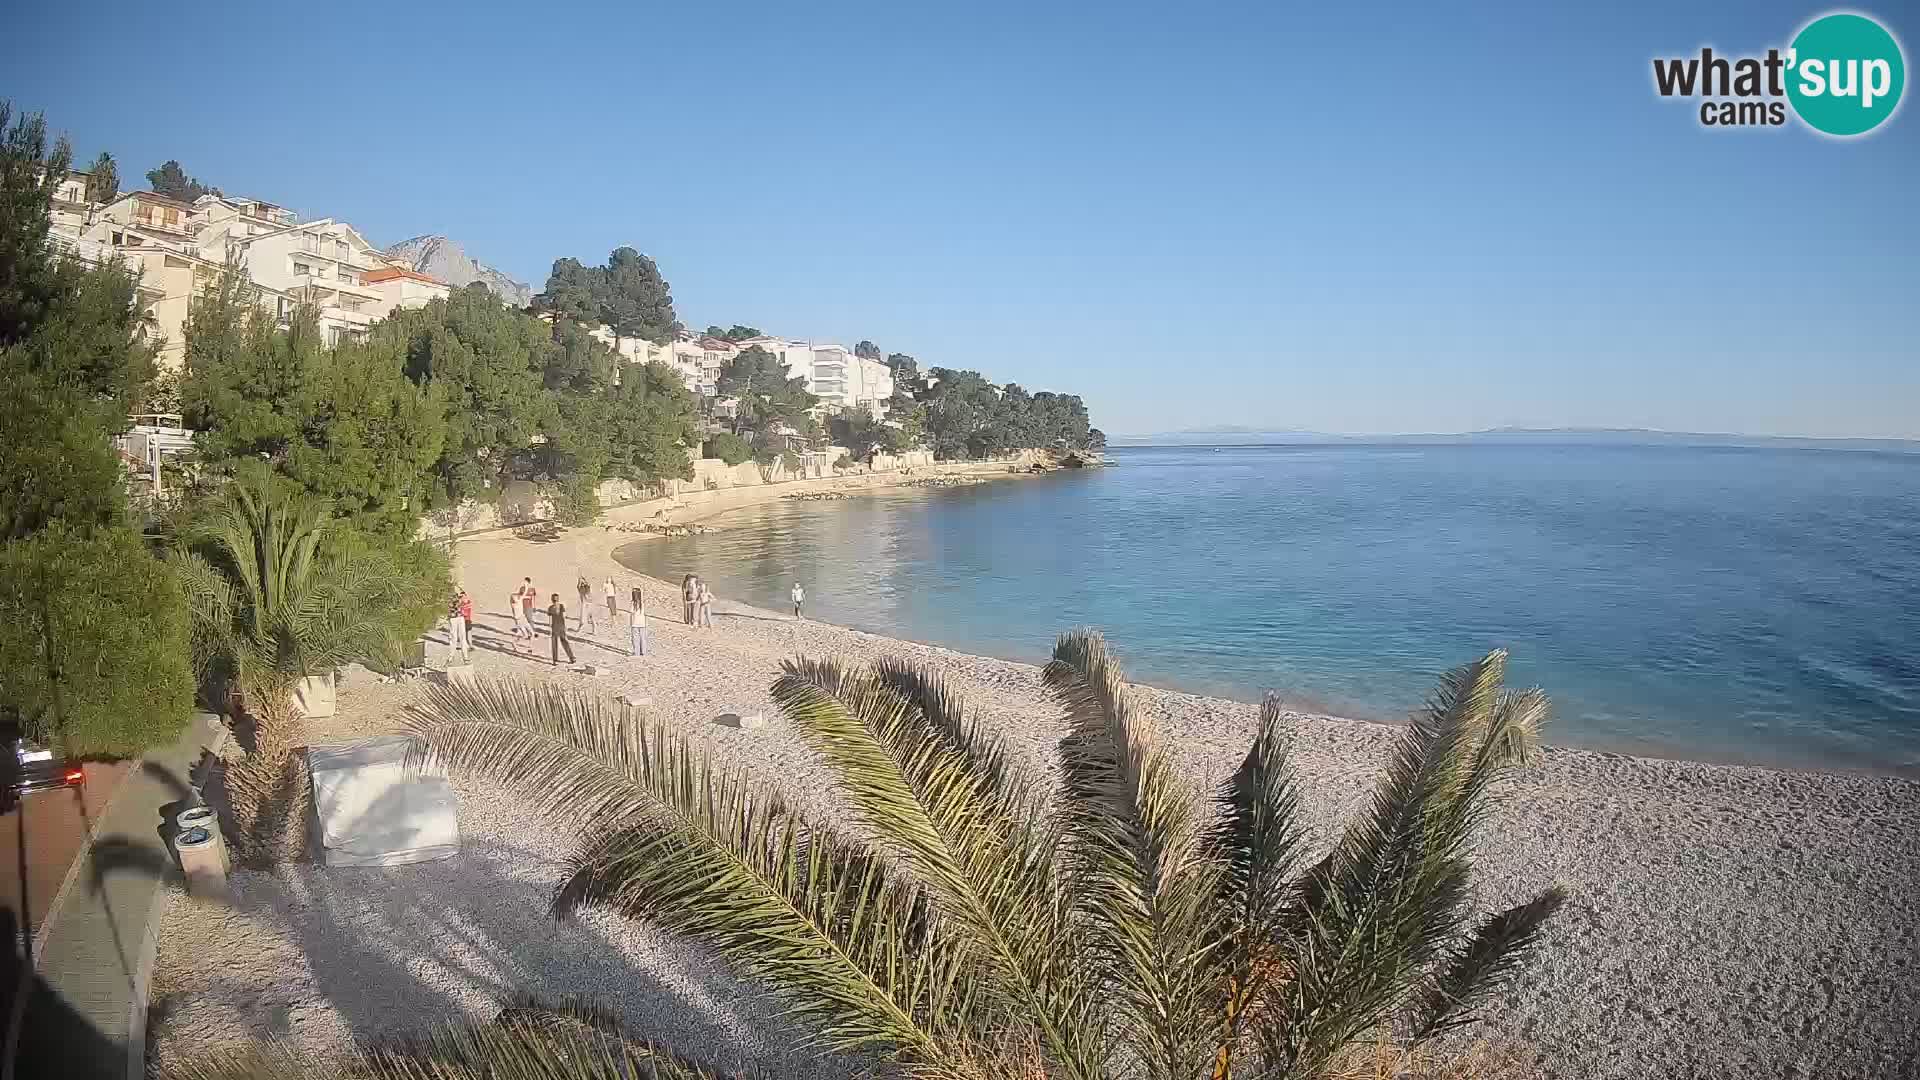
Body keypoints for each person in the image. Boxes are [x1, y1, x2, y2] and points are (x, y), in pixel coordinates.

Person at [546, 592, 576, 666]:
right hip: (561, 626)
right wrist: (566, 626)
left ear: (552, 600)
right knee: (565, 642)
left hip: (554, 627)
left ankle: (555, 660)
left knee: (554, 643)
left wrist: (550, 627)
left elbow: (550, 619)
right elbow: (564, 616)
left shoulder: (550, 607)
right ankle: (571, 658)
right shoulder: (561, 606)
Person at [446, 594, 470, 663]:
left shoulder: (459, 593)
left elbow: (466, 602)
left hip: (460, 616)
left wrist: (462, 600)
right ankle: (451, 656)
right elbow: (451, 605)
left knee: (462, 637)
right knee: (453, 637)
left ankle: (465, 657)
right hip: (453, 617)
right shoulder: (450, 595)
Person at [508, 589, 531, 654]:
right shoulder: (514, 604)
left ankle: (529, 647)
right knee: (525, 635)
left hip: (523, 618)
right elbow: (519, 597)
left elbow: (523, 596)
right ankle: (514, 642)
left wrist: (527, 596)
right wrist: (526, 587)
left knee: (532, 633)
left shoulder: (519, 598)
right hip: (518, 620)